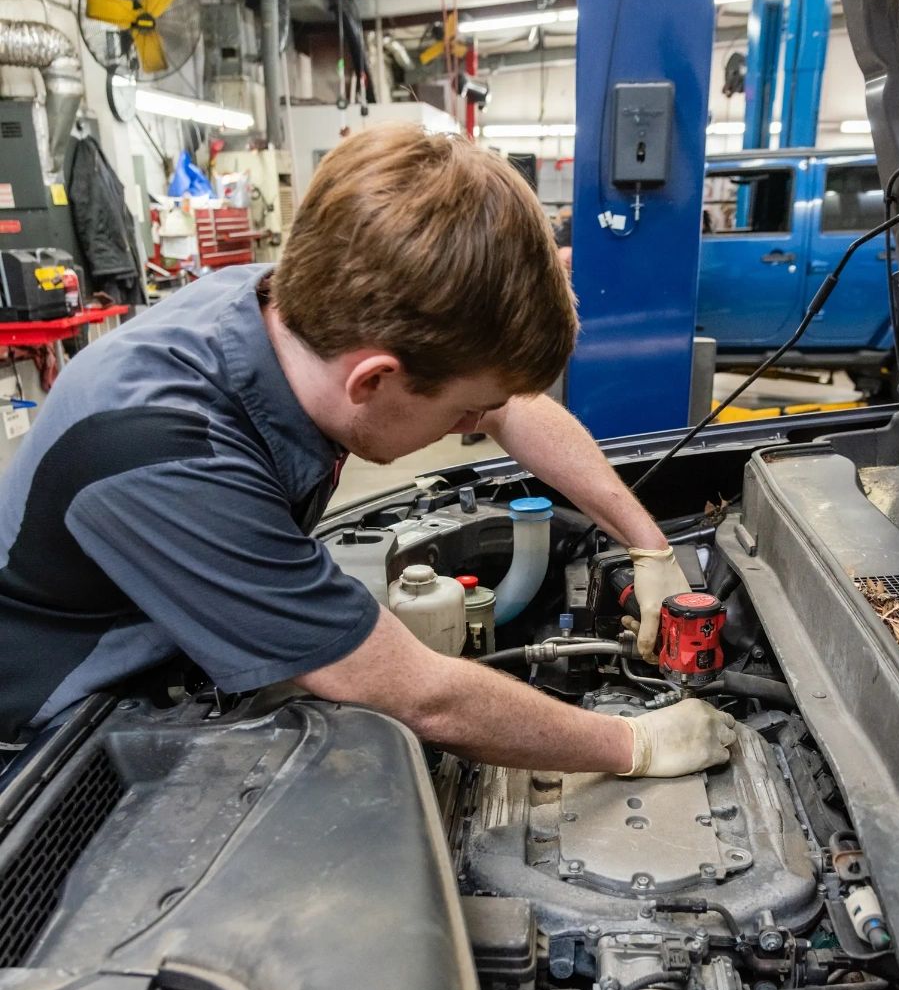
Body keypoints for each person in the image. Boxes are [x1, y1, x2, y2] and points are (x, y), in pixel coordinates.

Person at [0, 125, 744, 776]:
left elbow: (510, 409)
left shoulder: (285, 307)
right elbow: (424, 696)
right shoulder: (169, 454)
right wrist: (632, 743)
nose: (473, 426)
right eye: (465, 412)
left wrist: (647, 545)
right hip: (51, 745)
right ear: (376, 380)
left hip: (172, 649)